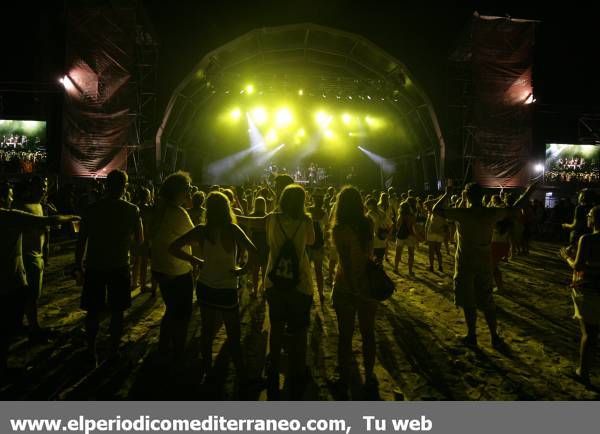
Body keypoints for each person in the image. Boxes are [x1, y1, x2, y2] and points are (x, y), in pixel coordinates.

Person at [432, 182, 537, 349]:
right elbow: (515, 207)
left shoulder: (462, 213)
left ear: (466, 196)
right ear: (482, 196)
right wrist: (530, 190)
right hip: (484, 262)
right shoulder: (491, 213)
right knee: (487, 301)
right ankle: (494, 336)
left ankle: (472, 335)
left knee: (468, 302)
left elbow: (435, 210)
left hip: (465, 262)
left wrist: (446, 194)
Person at [170, 191, 257, 383]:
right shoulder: (233, 229)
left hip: (205, 285)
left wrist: (195, 260)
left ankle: (207, 370)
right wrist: (242, 270)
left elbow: (173, 247)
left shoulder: (202, 230)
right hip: (226, 287)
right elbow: (254, 251)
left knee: (207, 332)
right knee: (233, 334)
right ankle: (241, 373)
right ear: (227, 209)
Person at [0, 182, 79, 381]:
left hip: (11, 279)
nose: (11, 199)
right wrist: (73, 217)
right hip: (10, 280)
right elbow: (48, 221)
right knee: (8, 327)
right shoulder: (10, 216)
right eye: (9, 196)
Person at [75, 170, 143, 364]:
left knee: (93, 311)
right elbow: (140, 241)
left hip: (95, 265)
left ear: (106, 185)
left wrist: (78, 264)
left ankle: (91, 350)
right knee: (117, 312)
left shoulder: (92, 209)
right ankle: (113, 351)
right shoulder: (131, 210)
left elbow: (81, 241)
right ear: (125, 186)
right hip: (119, 265)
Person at [332, 186, 378, 393]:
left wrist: (351, 285)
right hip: (367, 285)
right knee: (369, 334)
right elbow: (368, 253)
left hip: (344, 287)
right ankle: (369, 375)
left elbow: (346, 261)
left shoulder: (338, 229)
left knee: (345, 336)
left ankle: (343, 378)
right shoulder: (368, 223)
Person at [149, 172, 195, 364]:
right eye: (188, 189)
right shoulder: (178, 213)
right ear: (180, 191)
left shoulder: (158, 208)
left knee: (171, 310)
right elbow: (194, 235)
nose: (190, 192)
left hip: (160, 267)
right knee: (183, 314)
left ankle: (163, 347)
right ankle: (178, 352)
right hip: (177, 269)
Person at [560, 205, 600, 385]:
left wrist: (566, 256)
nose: (588, 217)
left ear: (594, 219)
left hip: (590, 290)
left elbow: (578, 266)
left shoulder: (588, 239)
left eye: (590, 215)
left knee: (589, 333)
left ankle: (582, 372)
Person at [18, 176, 50, 341]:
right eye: (40, 186)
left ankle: (27, 325)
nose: (43, 189)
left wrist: (46, 252)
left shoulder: (41, 206)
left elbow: (44, 231)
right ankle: (33, 328)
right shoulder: (22, 207)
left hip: (38, 256)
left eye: (45, 186)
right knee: (30, 296)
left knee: (32, 296)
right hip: (28, 257)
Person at [308, 193, 328, 302]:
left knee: (307, 270)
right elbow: (326, 229)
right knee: (318, 271)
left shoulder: (308, 210)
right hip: (319, 245)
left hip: (308, 243)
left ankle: (309, 291)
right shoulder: (324, 213)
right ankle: (321, 293)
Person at [249, 196, 268, 297]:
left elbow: (248, 232)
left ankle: (255, 290)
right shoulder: (267, 216)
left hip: (255, 242)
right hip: (265, 243)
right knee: (264, 267)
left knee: (255, 269)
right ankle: (264, 287)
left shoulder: (252, 215)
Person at [366, 197, 392, 266]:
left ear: (371, 205)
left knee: (373, 260)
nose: (367, 206)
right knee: (380, 260)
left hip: (373, 240)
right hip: (383, 238)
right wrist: (387, 234)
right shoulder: (382, 212)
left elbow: (367, 228)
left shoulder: (369, 214)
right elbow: (389, 224)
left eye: (368, 205)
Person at [394, 201, 417, 276]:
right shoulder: (412, 216)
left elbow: (397, 226)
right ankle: (410, 271)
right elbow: (414, 227)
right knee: (411, 254)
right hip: (410, 236)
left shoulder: (400, 216)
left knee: (398, 253)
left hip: (401, 236)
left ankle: (396, 268)